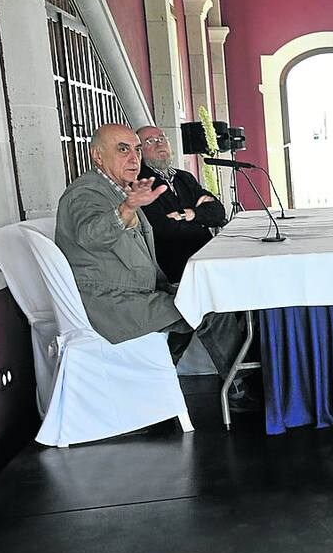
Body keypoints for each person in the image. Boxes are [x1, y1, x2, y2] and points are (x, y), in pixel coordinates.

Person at [54, 124, 253, 409]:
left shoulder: (119, 190)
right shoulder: (85, 194)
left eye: (136, 150)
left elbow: (214, 214)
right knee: (205, 308)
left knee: (193, 302)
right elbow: (91, 235)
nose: (134, 158)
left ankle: (154, 384)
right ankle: (239, 390)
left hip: (135, 294)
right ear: (97, 156)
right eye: (123, 150)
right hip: (113, 305)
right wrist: (127, 208)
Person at [135, 125, 226, 282]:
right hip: (179, 267)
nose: (159, 144)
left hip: (207, 256)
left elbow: (218, 213)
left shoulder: (185, 178)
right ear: (139, 151)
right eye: (150, 141)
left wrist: (189, 214)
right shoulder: (141, 184)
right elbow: (166, 229)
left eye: (162, 138)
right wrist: (201, 218)